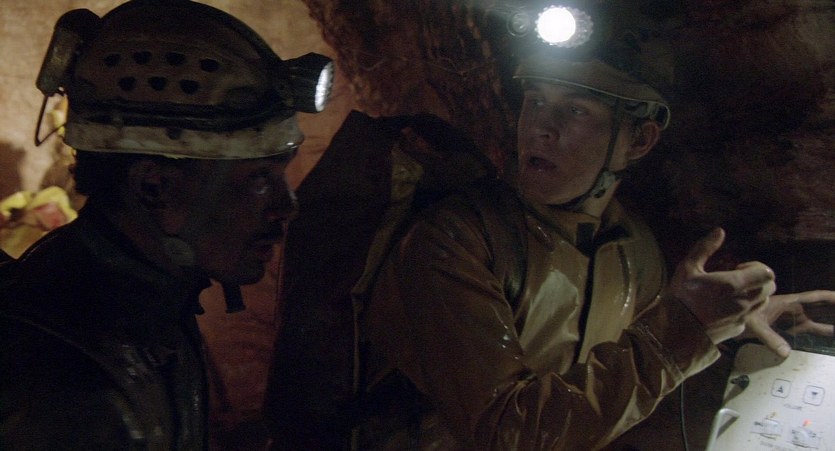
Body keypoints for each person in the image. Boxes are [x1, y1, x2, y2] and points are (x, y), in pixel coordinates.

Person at [351, 3, 834, 450]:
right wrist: (689, 330)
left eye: (575, 110)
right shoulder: (456, 240)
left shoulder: (631, 248)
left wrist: (728, 332)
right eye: (535, 101)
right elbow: (507, 435)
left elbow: (624, 382)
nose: (540, 127)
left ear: (639, 140)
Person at [0, 0, 332, 449]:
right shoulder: (63, 381)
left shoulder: (146, 309)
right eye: (258, 179)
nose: (285, 206)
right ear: (153, 186)